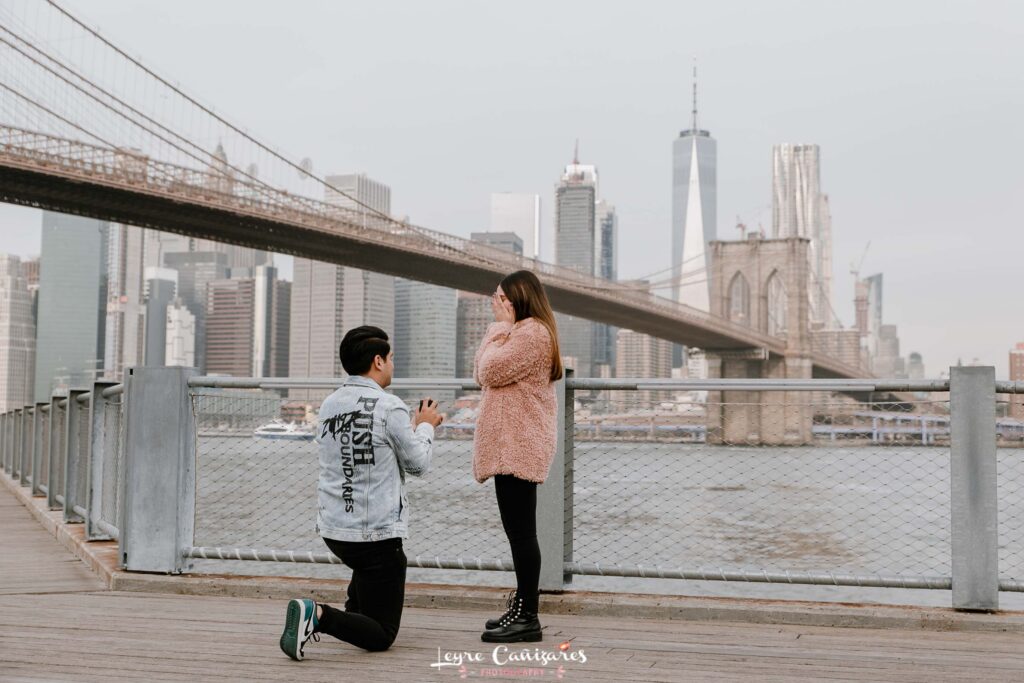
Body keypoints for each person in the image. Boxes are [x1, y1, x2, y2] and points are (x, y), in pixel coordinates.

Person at [279, 325, 445, 661]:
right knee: (381, 635)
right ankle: (317, 615)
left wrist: (408, 432)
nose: (393, 366)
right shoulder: (390, 406)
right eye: (391, 359)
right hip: (377, 539)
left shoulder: (329, 405)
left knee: (363, 597)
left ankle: (350, 612)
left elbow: (369, 444)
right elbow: (418, 466)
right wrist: (426, 424)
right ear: (378, 361)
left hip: (335, 532)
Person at [473, 270, 562, 643]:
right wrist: (502, 331)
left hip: (518, 445)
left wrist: (498, 330)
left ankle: (528, 617)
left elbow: (488, 368)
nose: (493, 302)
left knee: (522, 534)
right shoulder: (522, 333)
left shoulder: (532, 334)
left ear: (514, 299)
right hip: (510, 445)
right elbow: (483, 371)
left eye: (498, 297)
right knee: (518, 533)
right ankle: (523, 608)